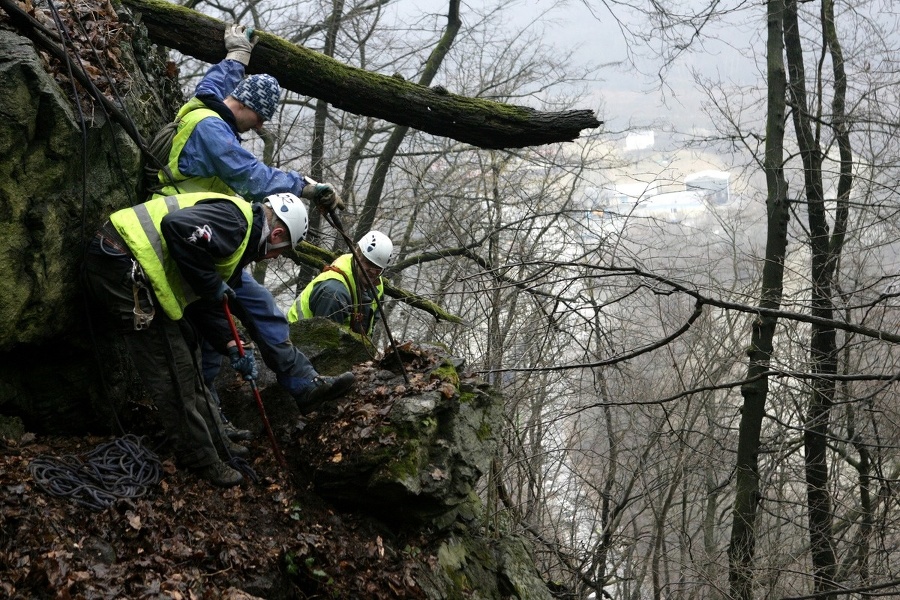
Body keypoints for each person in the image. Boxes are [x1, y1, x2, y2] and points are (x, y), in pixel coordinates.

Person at [150, 23, 354, 426]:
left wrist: (237, 57)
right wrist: (307, 186)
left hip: (208, 238)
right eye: (258, 118)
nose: (256, 126)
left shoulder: (209, 106)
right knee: (211, 330)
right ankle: (212, 420)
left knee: (262, 307)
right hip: (184, 239)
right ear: (246, 106)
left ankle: (303, 383)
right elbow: (252, 179)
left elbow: (218, 83)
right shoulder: (211, 129)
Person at [82, 191, 308, 487]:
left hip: (129, 263)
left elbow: (206, 296)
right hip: (120, 262)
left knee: (188, 354)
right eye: (282, 249)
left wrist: (231, 342)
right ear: (276, 233)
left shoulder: (239, 235)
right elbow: (177, 225)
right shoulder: (236, 223)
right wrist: (212, 283)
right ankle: (201, 458)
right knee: (173, 368)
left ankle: (218, 440)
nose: (277, 256)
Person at [287, 231, 392, 337]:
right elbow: (324, 342)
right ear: (357, 255)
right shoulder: (334, 293)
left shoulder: (377, 284)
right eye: (369, 263)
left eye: (378, 268)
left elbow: (371, 324)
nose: (373, 271)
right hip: (297, 340)